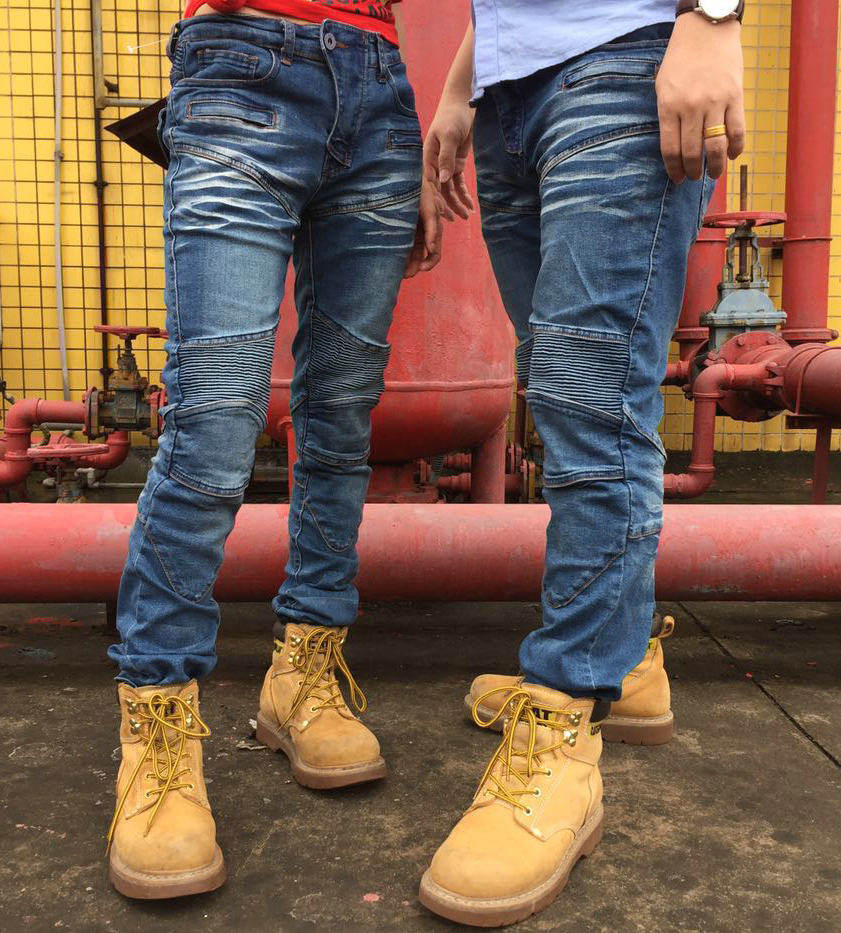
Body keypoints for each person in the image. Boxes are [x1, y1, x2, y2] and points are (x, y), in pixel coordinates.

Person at [105, 0, 440, 899]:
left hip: (381, 86)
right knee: (215, 420)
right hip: (241, 64)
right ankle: (156, 724)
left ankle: (304, 672)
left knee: (342, 416)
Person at [420, 0, 745, 925]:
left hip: (620, 59)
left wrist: (713, 16)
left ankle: (564, 726)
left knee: (590, 401)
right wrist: (460, 88)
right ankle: (627, 660)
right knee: (573, 400)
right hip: (508, 97)